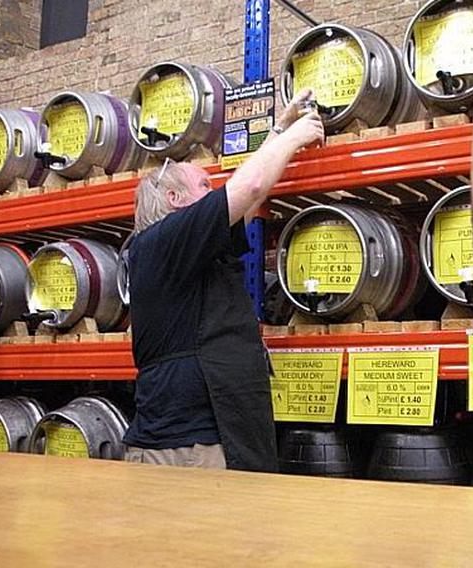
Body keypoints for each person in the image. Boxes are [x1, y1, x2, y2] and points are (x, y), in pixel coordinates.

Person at [122, 89, 324, 471]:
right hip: (186, 452)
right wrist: (298, 136)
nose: (213, 192)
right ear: (174, 198)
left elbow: (253, 192)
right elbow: (245, 187)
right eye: (204, 186)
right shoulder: (161, 242)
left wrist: (280, 129)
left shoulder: (190, 249)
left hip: (210, 439)